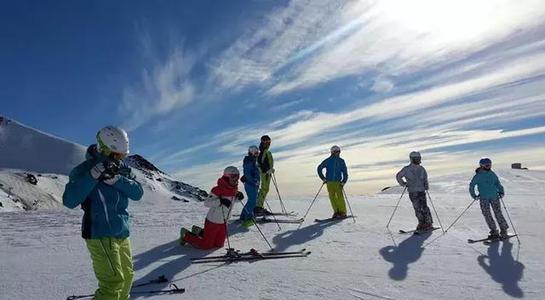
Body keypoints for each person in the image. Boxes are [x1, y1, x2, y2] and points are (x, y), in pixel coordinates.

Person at [63, 126, 144, 300]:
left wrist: (117, 180)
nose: (121, 159)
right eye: (117, 155)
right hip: (99, 232)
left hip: (121, 232)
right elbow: (69, 201)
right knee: (113, 283)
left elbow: (138, 193)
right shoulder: (83, 170)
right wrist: (93, 176)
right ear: (105, 149)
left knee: (127, 277)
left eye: (123, 155)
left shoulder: (122, 169)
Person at [180, 166, 244, 249]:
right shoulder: (217, 190)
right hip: (213, 221)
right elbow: (207, 203)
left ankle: (199, 231)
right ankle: (186, 235)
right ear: (227, 177)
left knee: (219, 245)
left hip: (224, 222)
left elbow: (232, 201)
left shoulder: (234, 190)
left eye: (237, 177)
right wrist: (220, 201)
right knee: (206, 246)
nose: (236, 179)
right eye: (234, 177)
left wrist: (238, 198)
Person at [469, 158, 509, 239]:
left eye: (490, 165)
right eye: (487, 165)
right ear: (482, 166)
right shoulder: (478, 176)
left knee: (498, 213)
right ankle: (494, 230)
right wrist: (474, 195)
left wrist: (501, 191)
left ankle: (504, 229)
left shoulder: (492, 174)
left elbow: (497, 183)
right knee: (487, 214)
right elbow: (472, 186)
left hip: (494, 196)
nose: (489, 166)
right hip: (484, 198)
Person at [396, 151, 433, 232]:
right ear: (412, 159)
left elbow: (425, 178)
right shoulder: (406, 169)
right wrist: (403, 184)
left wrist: (426, 185)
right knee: (417, 208)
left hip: (421, 191)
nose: (418, 160)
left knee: (424, 207)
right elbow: (398, 176)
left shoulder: (422, 169)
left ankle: (428, 223)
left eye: (418, 158)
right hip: (413, 192)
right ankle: (421, 223)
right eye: (416, 158)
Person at [317, 145, 349, 218]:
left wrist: (344, 181)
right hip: (329, 182)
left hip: (338, 182)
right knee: (332, 197)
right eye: (336, 151)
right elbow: (319, 168)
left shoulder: (341, 161)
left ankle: (342, 212)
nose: (338, 153)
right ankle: (336, 212)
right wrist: (323, 178)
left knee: (340, 197)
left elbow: (345, 172)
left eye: (339, 151)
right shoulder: (328, 161)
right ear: (332, 152)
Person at [240, 145, 260, 227]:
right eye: (255, 152)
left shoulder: (252, 160)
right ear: (251, 152)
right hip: (250, 184)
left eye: (257, 152)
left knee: (251, 201)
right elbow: (248, 174)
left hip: (252, 184)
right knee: (253, 201)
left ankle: (244, 215)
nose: (256, 153)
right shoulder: (249, 161)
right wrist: (254, 181)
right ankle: (247, 217)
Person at [255, 135, 274, 216]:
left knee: (265, 189)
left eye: (268, 142)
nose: (267, 144)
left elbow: (266, 162)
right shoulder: (262, 151)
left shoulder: (266, 151)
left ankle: (259, 206)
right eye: (265, 142)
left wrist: (270, 169)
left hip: (267, 173)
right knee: (264, 189)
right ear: (262, 142)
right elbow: (260, 163)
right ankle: (258, 207)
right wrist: (267, 170)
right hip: (264, 174)